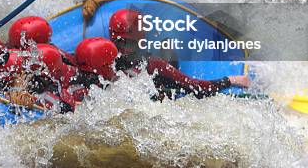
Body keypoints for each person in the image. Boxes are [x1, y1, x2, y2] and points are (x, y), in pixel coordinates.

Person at [109, 9, 250, 99]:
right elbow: (198, 88)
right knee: (167, 47)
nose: (125, 49)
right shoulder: (153, 65)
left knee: (167, 49)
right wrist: (231, 80)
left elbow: (197, 88)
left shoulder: (151, 66)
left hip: (156, 88)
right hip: (159, 90)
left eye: (128, 44)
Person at [66, 37, 118, 103]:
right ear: (104, 66)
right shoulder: (90, 94)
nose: (115, 68)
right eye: (113, 63)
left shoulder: (74, 88)